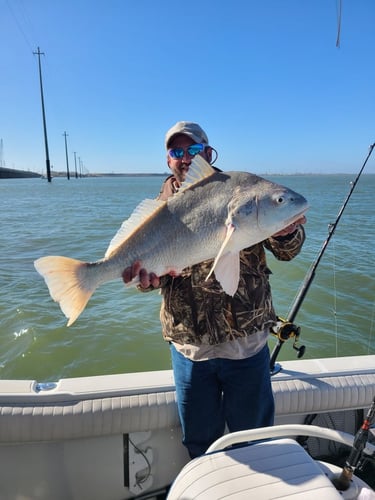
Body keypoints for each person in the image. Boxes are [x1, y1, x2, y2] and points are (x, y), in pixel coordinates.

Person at [122, 121, 306, 459]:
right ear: (168, 160)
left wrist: (285, 233)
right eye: (176, 151)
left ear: (208, 152)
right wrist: (145, 281)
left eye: (193, 149)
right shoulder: (158, 212)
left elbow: (288, 251)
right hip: (190, 348)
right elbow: (150, 280)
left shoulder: (243, 192)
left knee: (257, 444)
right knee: (200, 445)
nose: (185, 158)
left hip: (246, 344)